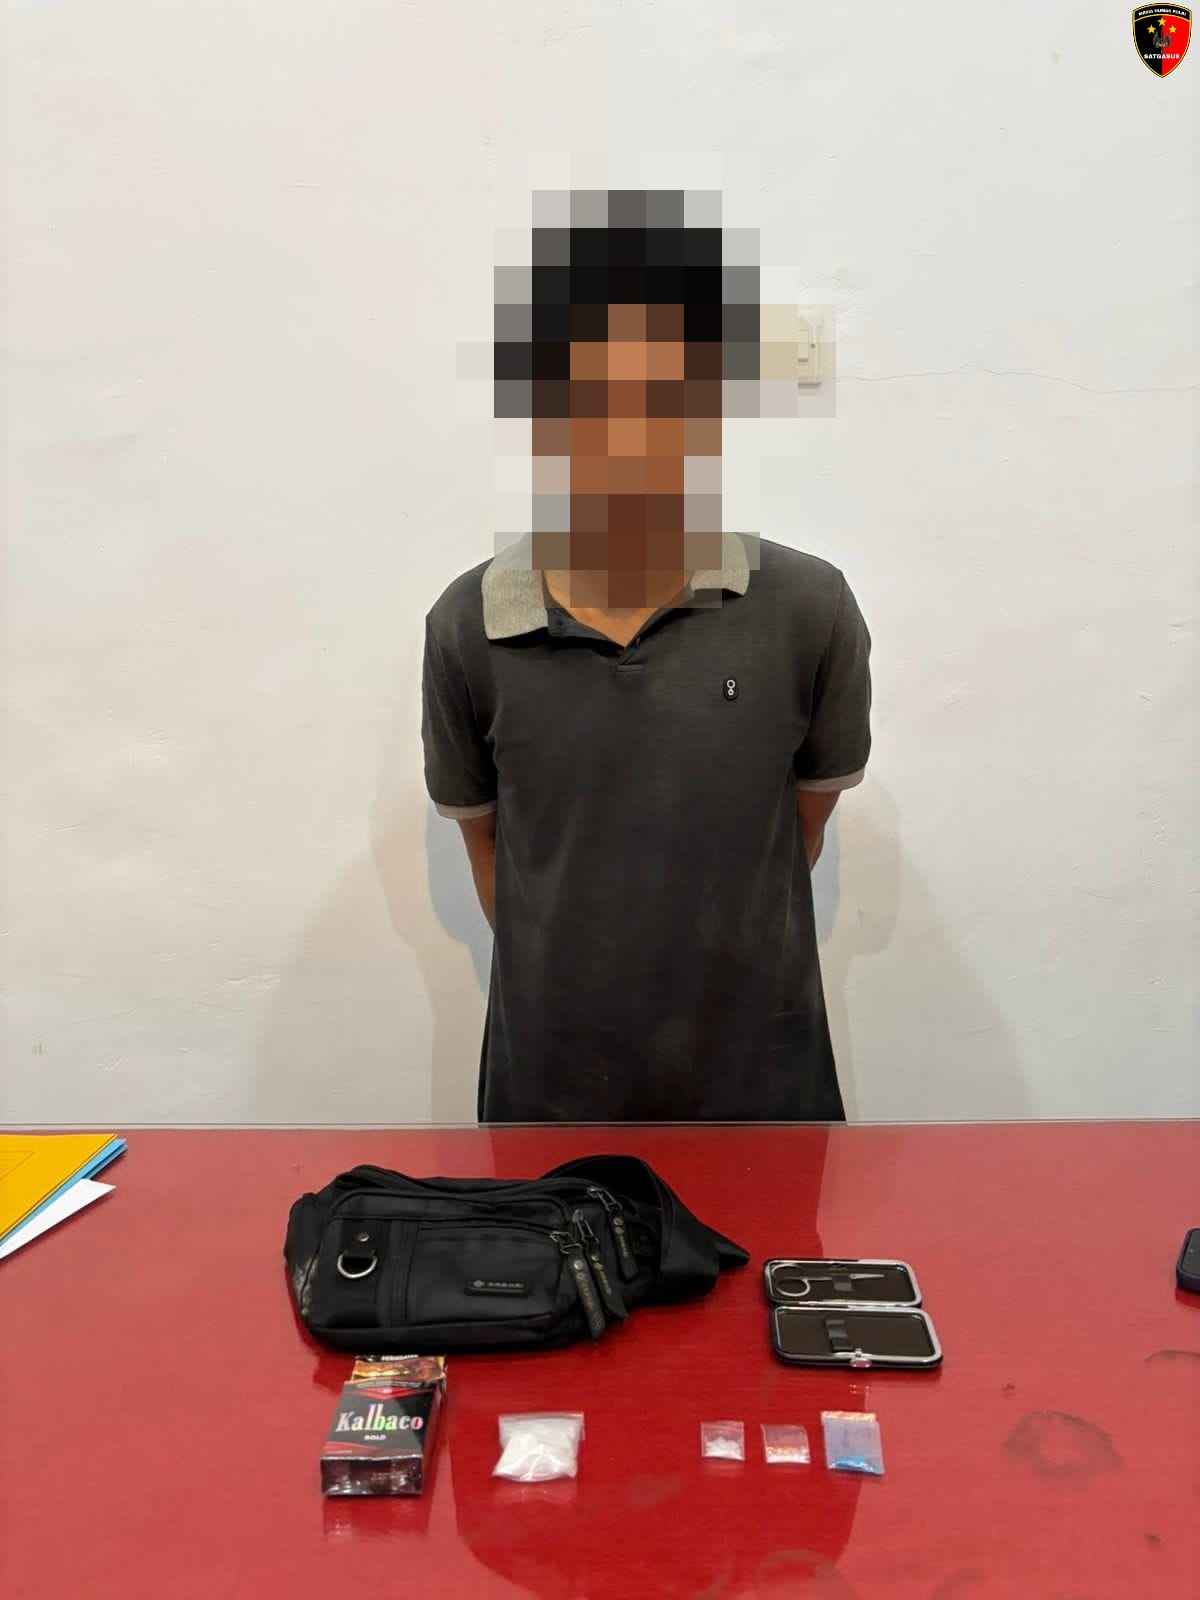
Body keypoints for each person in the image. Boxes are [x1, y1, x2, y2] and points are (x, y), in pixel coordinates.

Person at [421, 189, 871, 1123]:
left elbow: (798, 830)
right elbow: (495, 855)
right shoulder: (470, 627)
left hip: (764, 1105)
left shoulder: (807, 612)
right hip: (547, 1116)